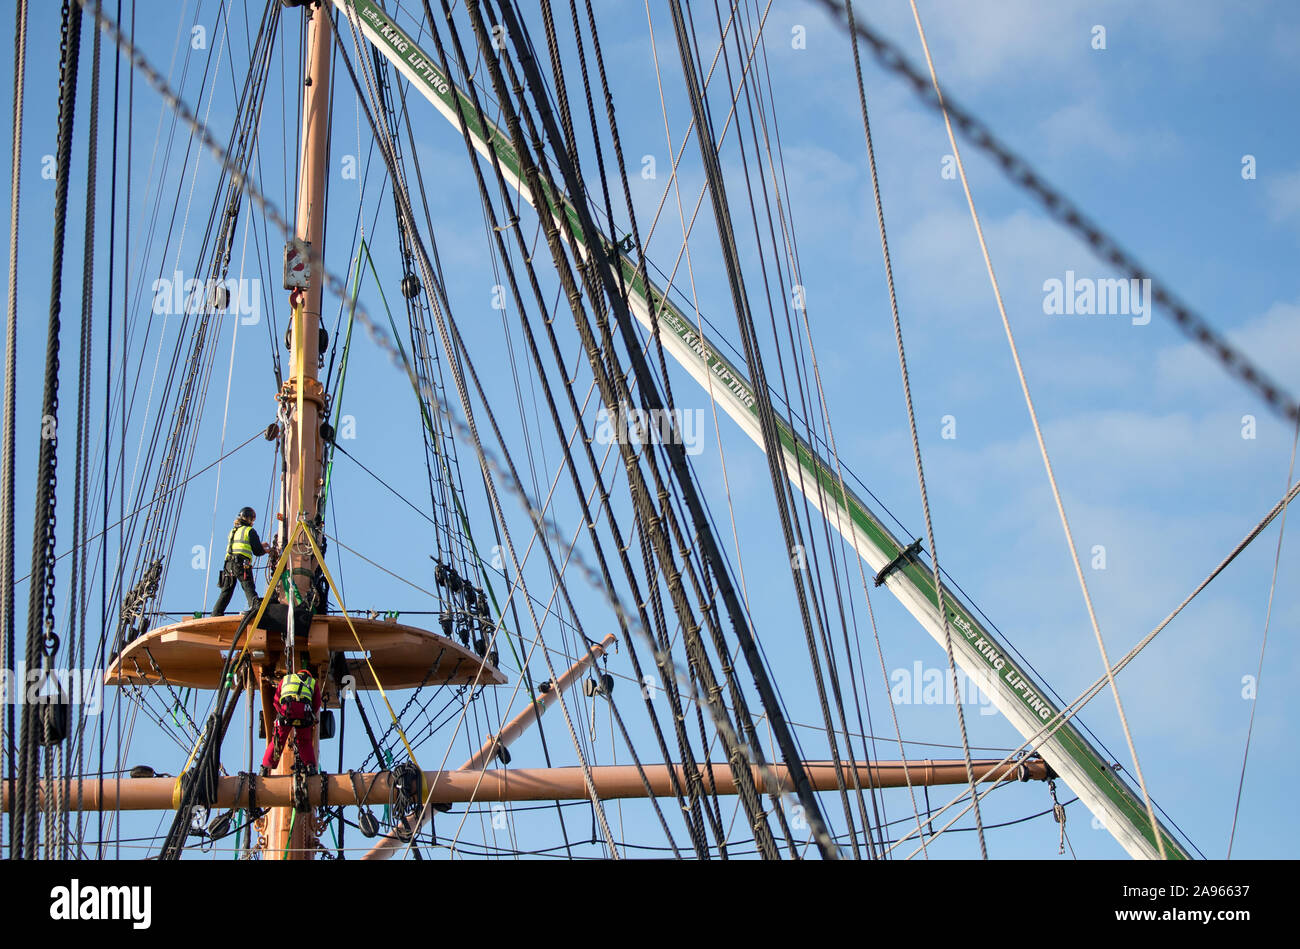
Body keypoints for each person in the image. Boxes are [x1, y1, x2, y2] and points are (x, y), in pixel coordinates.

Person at [261, 667, 322, 776]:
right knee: (304, 741)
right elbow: (317, 704)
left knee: (278, 739)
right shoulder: (312, 682)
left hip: (287, 710)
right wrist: (311, 715)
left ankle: (265, 767)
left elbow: (276, 700)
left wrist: (281, 713)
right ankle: (310, 767)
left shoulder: (286, 679)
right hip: (304, 713)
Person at [212, 507, 272, 617]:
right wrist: (266, 550)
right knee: (248, 586)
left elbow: (240, 545)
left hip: (228, 565)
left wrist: (260, 546)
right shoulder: (250, 531)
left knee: (226, 592)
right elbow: (257, 551)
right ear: (250, 519)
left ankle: (216, 613)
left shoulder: (233, 531)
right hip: (241, 564)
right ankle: (256, 608)